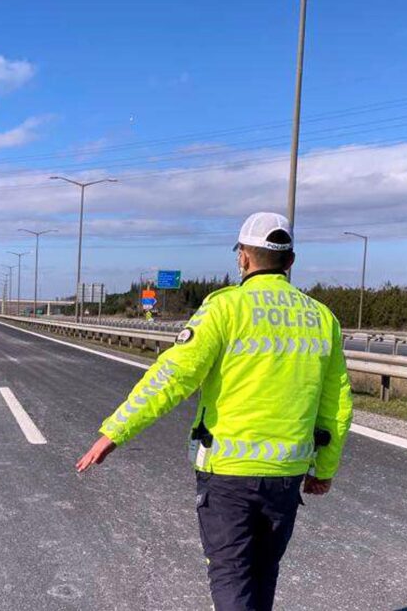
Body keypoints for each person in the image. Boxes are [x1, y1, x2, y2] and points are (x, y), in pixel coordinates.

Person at [76, 212, 353, 611]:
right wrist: (324, 468)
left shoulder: (224, 309)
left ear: (242, 258)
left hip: (228, 471)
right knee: (263, 572)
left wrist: (115, 432)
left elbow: (172, 377)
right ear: (290, 262)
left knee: (231, 575)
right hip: (286, 474)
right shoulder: (322, 318)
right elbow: (337, 403)